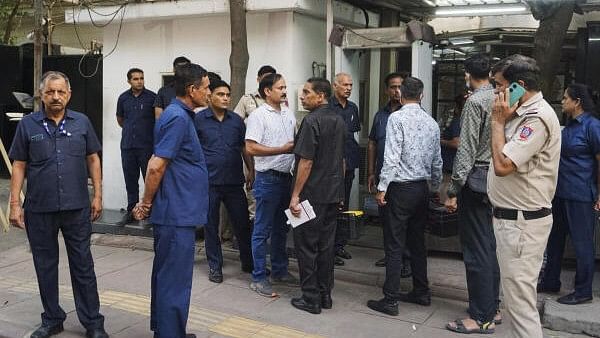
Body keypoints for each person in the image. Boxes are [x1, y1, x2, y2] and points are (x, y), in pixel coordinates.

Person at [8, 71, 108, 338]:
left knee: (83, 265)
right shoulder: (28, 125)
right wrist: (14, 204)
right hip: (39, 209)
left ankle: (93, 323)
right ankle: (52, 318)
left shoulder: (82, 123)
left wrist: (97, 195)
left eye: (60, 92)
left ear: (69, 95)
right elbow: (19, 164)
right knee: (45, 266)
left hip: (77, 208)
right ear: (42, 94)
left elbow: (93, 159)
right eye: (50, 92)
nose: (55, 97)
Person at [132, 63, 210, 338]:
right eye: (206, 87)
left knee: (167, 277)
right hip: (176, 213)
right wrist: (146, 203)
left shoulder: (179, 115)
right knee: (174, 281)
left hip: (178, 211)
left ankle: (168, 330)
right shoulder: (177, 117)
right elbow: (156, 166)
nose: (209, 92)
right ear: (192, 90)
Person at [488, 55, 561, 338]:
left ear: (518, 86)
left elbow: (504, 165)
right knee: (515, 302)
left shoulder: (537, 118)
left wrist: (497, 123)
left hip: (521, 225)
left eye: (498, 85)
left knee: (521, 308)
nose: (495, 92)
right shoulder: (519, 113)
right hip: (512, 222)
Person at [366, 77, 442, 316]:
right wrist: (436, 187)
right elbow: (437, 161)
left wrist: (381, 188)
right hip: (421, 188)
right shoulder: (431, 123)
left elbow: (391, 157)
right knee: (417, 242)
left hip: (399, 189)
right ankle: (421, 291)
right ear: (421, 95)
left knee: (394, 244)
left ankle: (390, 299)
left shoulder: (395, 119)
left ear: (401, 94)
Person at [444, 55, 501, 334]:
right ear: (490, 74)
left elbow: (465, 151)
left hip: (475, 180)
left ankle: (481, 317)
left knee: (476, 250)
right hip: (498, 179)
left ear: (467, 74)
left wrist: (453, 189)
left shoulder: (475, 102)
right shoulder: (501, 98)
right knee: (490, 246)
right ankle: (493, 307)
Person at [538, 83, 600, 305]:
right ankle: (550, 280)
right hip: (560, 192)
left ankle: (583, 291)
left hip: (581, 194)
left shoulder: (592, 126)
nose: (562, 101)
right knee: (554, 240)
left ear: (577, 102)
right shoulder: (568, 126)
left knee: (582, 244)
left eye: (565, 98)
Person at [289, 77, 346, 314]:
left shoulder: (311, 120)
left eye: (306, 92)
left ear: (320, 96)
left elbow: (306, 162)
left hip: (310, 195)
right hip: (332, 194)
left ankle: (310, 298)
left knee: (306, 247)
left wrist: (295, 196)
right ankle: (325, 295)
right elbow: (341, 160)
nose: (302, 96)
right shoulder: (338, 119)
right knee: (326, 247)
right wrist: (341, 191)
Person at [194, 79, 254, 283]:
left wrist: (251, 170)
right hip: (208, 182)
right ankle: (215, 266)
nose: (226, 98)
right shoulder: (199, 120)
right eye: (221, 94)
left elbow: (243, 148)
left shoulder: (236, 121)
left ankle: (248, 262)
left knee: (242, 223)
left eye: (228, 95)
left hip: (233, 181)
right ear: (210, 97)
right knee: (211, 226)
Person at [245, 73, 299, 297]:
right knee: (262, 230)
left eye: (285, 87)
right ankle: (258, 277)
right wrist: (282, 150)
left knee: (281, 229)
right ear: (267, 91)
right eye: (280, 88)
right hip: (267, 179)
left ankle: (279, 270)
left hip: (287, 178)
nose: (285, 91)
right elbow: (250, 148)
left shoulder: (288, 113)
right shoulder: (258, 115)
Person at [367, 71, 412, 275]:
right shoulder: (380, 114)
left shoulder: (411, 113)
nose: (397, 90)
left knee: (403, 221)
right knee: (386, 219)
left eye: (400, 86)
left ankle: (406, 260)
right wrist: (370, 171)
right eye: (393, 86)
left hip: (403, 178)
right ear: (387, 90)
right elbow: (372, 143)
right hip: (383, 175)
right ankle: (391, 256)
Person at [116, 68, 157, 225]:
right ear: (129, 81)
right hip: (128, 146)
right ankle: (132, 212)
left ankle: (152, 213)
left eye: (141, 78)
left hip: (146, 147)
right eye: (135, 79)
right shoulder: (123, 98)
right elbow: (120, 120)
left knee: (150, 181)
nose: (139, 81)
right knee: (130, 181)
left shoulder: (152, 98)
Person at [330, 72, 361, 266]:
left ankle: (340, 245)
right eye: (345, 85)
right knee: (331, 207)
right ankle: (329, 249)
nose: (348, 88)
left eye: (351, 85)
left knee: (344, 207)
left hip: (348, 164)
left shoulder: (352, 108)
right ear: (335, 86)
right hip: (332, 168)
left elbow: (352, 135)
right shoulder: (328, 108)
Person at [439, 94, 465, 203]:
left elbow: (456, 143)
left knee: (446, 188)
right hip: (455, 164)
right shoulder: (464, 121)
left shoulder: (457, 121)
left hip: (451, 164)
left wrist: (440, 141)